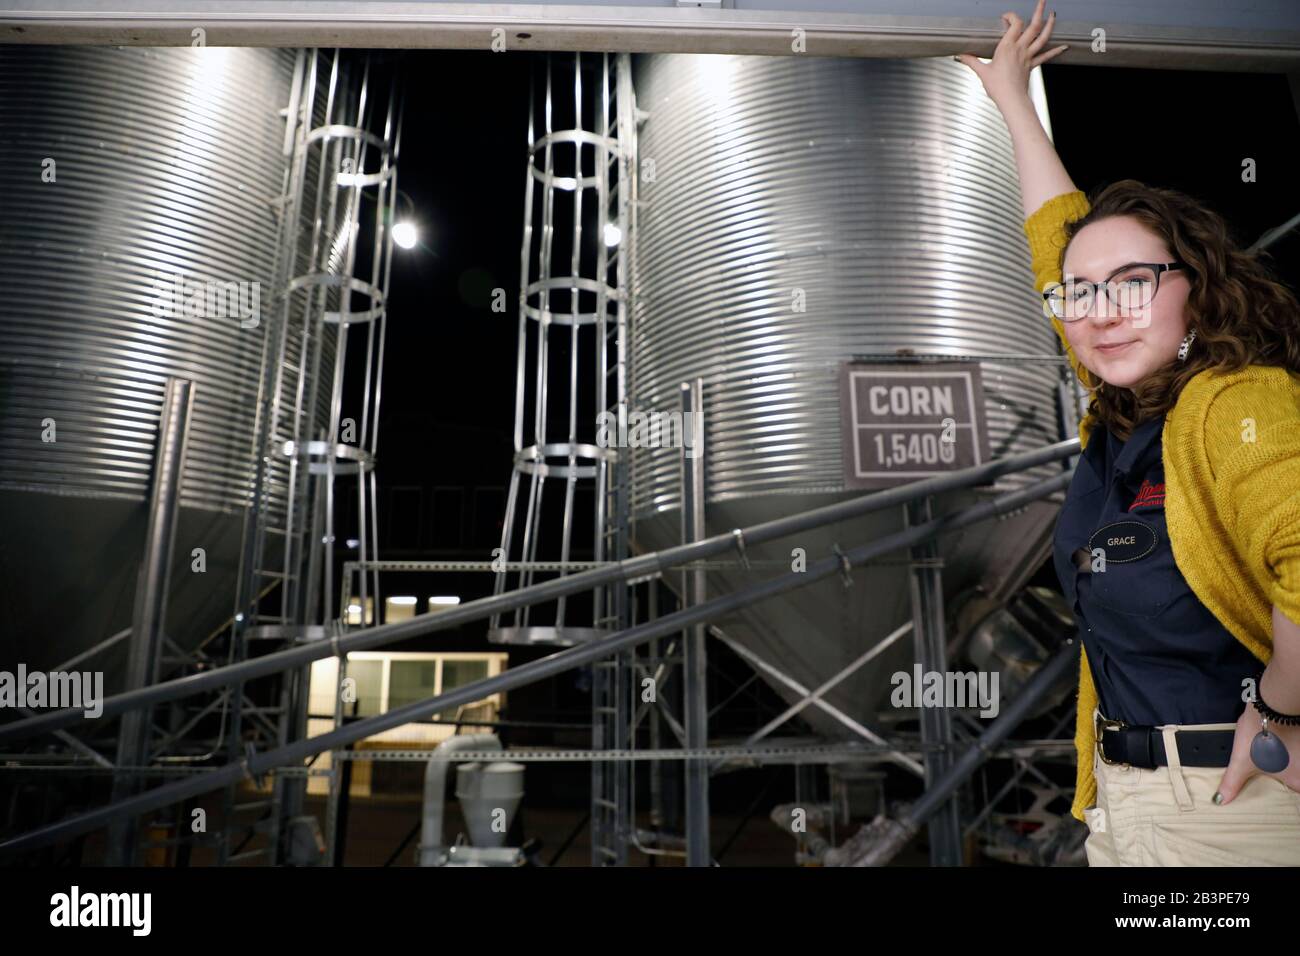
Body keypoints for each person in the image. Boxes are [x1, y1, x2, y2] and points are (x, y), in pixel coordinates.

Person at [957, 0, 1300, 865]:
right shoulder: (1117, 407)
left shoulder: (1233, 402)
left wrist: (1287, 707)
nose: (1099, 311)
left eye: (1134, 282)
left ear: (1196, 292)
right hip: (1124, 805)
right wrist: (1014, 102)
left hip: (1237, 806)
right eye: (1081, 293)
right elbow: (1054, 243)